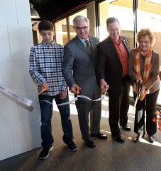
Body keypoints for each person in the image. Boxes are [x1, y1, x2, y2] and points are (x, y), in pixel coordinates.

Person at [29, 20, 77, 160]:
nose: (47, 37)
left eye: (49, 34)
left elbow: (66, 70)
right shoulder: (35, 50)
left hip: (61, 90)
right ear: (40, 34)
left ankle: (68, 139)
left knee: (66, 117)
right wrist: (42, 82)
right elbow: (32, 70)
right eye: (43, 34)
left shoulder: (62, 49)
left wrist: (64, 88)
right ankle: (47, 144)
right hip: (45, 92)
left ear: (54, 32)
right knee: (45, 120)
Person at [62, 15, 107, 149]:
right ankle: (86, 137)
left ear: (89, 26)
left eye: (85, 27)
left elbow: (100, 62)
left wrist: (102, 79)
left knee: (97, 109)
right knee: (83, 113)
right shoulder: (70, 46)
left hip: (96, 83)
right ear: (74, 28)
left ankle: (95, 131)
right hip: (81, 85)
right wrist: (71, 83)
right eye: (79, 28)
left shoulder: (95, 40)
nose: (82, 31)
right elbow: (66, 68)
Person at [96, 17, 131, 143]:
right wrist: (102, 80)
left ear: (120, 27)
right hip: (113, 81)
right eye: (112, 30)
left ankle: (124, 122)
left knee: (126, 103)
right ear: (107, 30)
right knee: (115, 108)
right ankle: (115, 132)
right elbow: (100, 66)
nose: (115, 32)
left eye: (116, 29)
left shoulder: (125, 40)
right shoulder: (102, 46)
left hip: (126, 79)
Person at [128, 28, 160, 143]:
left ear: (150, 41)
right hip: (137, 86)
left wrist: (145, 87)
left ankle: (151, 133)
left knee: (151, 110)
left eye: (146, 41)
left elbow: (155, 75)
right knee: (139, 109)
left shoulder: (155, 55)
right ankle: (140, 133)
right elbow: (130, 70)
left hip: (152, 88)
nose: (143, 44)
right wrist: (135, 77)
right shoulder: (132, 53)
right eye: (141, 41)